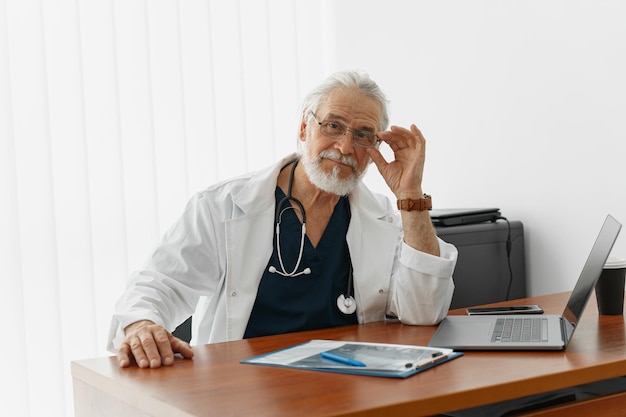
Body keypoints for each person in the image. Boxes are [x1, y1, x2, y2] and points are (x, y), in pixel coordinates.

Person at [108, 70, 458, 368]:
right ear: (305, 127)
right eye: (333, 126)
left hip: (354, 383)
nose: (345, 147)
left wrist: (409, 196)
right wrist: (140, 324)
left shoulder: (384, 217)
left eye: (363, 134)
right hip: (247, 389)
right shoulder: (223, 205)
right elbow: (161, 282)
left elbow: (424, 310)